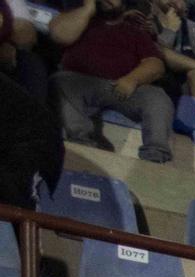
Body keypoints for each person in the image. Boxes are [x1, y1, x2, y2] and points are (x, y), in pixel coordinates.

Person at [48, 0, 175, 164]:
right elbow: (59, 34)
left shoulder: (134, 32)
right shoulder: (80, 20)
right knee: (60, 81)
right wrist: (88, 8)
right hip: (80, 83)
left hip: (122, 87)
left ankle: (155, 156)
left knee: (157, 96)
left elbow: (155, 64)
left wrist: (132, 79)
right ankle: (81, 144)